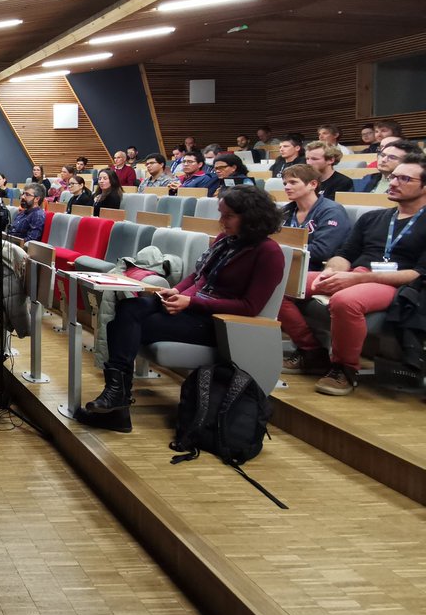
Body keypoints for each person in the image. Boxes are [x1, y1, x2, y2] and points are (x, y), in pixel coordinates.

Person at [76, 187, 284, 432]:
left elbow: (250, 307)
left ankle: (118, 405)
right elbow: (199, 276)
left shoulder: (269, 253)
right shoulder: (225, 241)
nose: (221, 222)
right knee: (129, 307)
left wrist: (191, 302)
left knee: (130, 323)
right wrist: (178, 292)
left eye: (228, 216)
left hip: (218, 324)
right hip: (193, 306)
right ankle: (117, 399)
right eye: (221, 214)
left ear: (250, 217)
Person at [279, 155, 426, 396]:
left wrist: (357, 279)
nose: (393, 182)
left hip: (394, 283)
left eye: (404, 178)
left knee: (345, 301)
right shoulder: (374, 218)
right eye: (392, 177)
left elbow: (417, 273)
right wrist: (332, 271)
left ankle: (344, 369)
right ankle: (311, 351)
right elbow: (344, 254)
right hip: (355, 274)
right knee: (281, 283)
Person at [276, 165, 352, 377]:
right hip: (291, 266)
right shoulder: (286, 211)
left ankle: (310, 349)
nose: (287, 187)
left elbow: (322, 250)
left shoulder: (331, 210)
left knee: (275, 289)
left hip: (323, 269)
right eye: (285, 183)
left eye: (293, 182)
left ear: (312, 184)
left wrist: (282, 250)